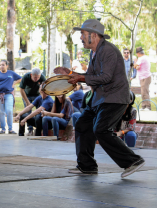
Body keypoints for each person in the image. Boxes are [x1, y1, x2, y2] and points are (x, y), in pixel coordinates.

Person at [54, 19, 145, 178]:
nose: (81, 37)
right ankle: (87, 166)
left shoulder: (108, 51)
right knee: (82, 124)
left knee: (101, 129)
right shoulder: (94, 52)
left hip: (114, 98)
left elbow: (105, 77)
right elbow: (90, 76)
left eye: (82, 34)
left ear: (93, 35)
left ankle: (133, 161)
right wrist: (71, 75)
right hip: (99, 98)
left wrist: (80, 78)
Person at [0, 60, 22, 134]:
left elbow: (20, 78)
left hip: (9, 94)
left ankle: (10, 129)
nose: (1, 66)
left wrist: (14, 83)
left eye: (3, 65)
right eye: (0, 65)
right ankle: (3, 129)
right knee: (1, 112)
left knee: (9, 111)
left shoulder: (11, 73)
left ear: (7, 66)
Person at [18, 68, 47, 135]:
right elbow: (21, 90)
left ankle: (38, 128)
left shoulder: (42, 77)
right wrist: (27, 101)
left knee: (39, 111)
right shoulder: (26, 77)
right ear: (31, 75)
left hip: (37, 95)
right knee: (28, 111)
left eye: (38, 77)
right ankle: (30, 129)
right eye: (35, 77)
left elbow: (46, 88)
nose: (36, 79)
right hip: (27, 95)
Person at [134, 47, 152, 111]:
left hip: (145, 77)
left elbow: (135, 66)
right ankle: (144, 106)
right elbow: (137, 67)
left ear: (138, 53)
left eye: (137, 54)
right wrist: (136, 66)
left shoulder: (141, 58)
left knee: (145, 92)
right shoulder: (144, 58)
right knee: (143, 92)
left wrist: (135, 62)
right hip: (143, 77)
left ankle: (148, 106)